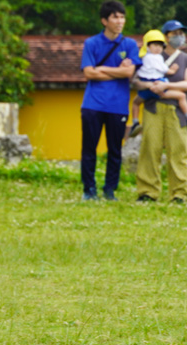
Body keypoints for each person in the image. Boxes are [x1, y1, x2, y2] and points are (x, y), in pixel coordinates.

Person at [79, 1, 139, 201]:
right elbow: (88, 73)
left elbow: (129, 73)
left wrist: (102, 69)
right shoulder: (91, 43)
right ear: (104, 21)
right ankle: (89, 190)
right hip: (92, 104)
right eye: (115, 17)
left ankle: (110, 190)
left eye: (122, 17)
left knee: (115, 150)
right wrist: (117, 72)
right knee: (89, 148)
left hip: (118, 105)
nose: (120, 21)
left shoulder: (129, 44)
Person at [134, 20, 187, 203]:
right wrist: (150, 85)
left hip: (176, 110)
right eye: (174, 33)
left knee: (178, 151)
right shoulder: (152, 54)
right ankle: (148, 191)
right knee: (150, 148)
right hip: (153, 107)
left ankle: (179, 193)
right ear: (165, 37)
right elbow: (137, 81)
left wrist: (167, 85)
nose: (179, 36)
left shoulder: (184, 58)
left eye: (181, 32)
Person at [129, 30, 187, 129]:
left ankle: (135, 122)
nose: (157, 48)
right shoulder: (157, 58)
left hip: (145, 89)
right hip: (158, 87)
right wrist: (172, 71)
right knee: (181, 96)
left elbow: (136, 75)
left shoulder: (143, 57)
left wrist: (146, 84)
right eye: (155, 45)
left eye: (159, 46)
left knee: (135, 102)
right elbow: (164, 69)